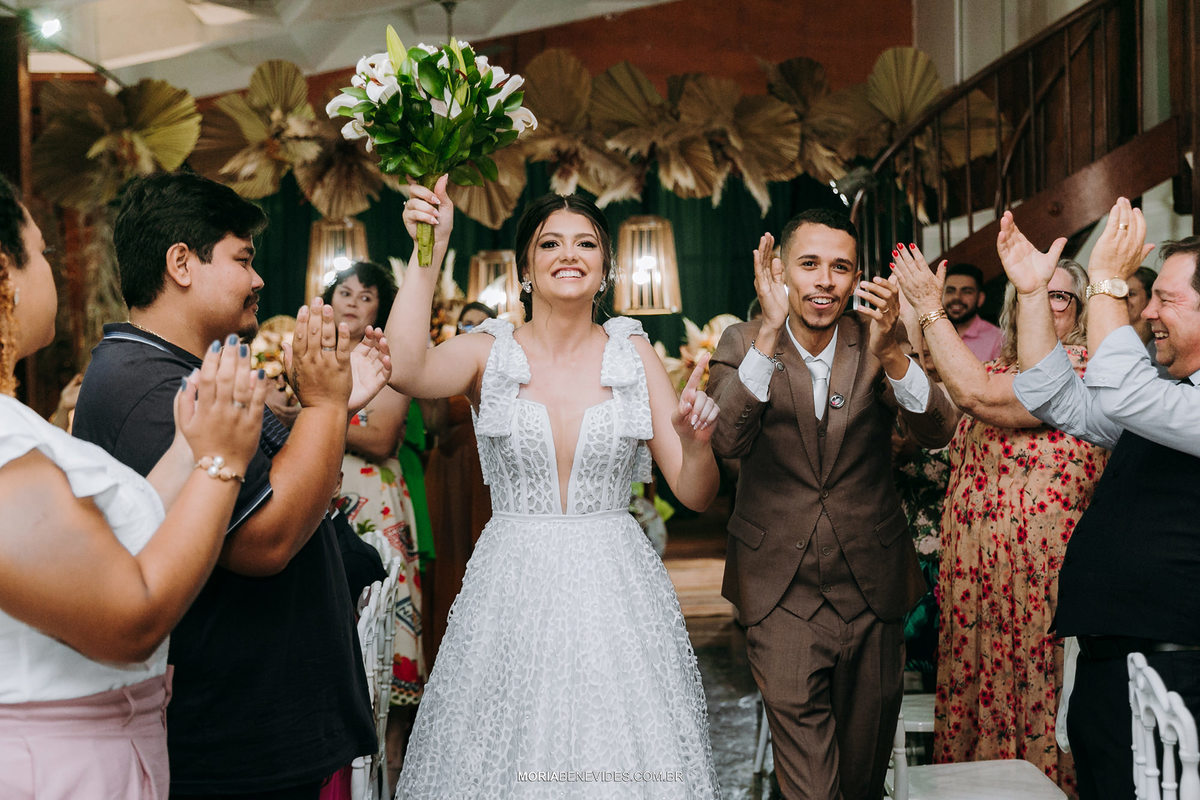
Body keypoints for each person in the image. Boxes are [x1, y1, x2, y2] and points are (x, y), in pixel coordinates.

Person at [389, 180, 722, 797]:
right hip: (510, 584)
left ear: (604, 269)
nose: (569, 254)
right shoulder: (490, 351)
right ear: (525, 268)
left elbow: (694, 491)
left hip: (614, 590)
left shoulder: (632, 352)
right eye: (550, 244)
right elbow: (406, 367)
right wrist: (426, 253)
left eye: (586, 243)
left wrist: (697, 443)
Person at [72, 172, 383, 799]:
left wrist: (321, 406)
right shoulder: (152, 389)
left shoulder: (182, 370)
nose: (259, 279)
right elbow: (264, 540)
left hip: (256, 725)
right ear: (182, 263)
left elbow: (266, 468)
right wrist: (326, 406)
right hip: (237, 740)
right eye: (243, 259)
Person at [0, 173, 267, 798]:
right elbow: (130, 617)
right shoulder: (7, 448)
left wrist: (187, 451)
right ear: (3, 275)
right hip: (59, 765)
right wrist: (220, 464)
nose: (53, 273)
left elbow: (120, 538)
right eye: (40, 253)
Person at [707, 208, 958, 800]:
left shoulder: (878, 338)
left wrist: (895, 354)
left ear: (855, 279)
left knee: (864, 780)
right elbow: (727, 440)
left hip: (872, 590)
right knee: (813, 788)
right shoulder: (742, 342)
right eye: (810, 264)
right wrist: (767, 336)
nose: (825, 280)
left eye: (840, 268)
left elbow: (939, 428)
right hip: (780, 592)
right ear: (778, 272)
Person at [1002, 197, 1200, 800]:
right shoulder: (1167, 391)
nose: (1151, 312)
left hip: (1178, 672)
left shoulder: (1161, 398)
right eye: (1151, 296)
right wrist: (1034, 295)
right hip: (1115, 664)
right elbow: (1059, 398)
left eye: (1167, 299)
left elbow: (1120, 393)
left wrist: (1109, 283)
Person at [892, 243, 1108, 791]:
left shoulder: (1083, 374)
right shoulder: (988, 368)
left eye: (1059, 296)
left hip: (1045, 590)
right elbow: (937, 446)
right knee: (977, 710)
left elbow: (978, 396)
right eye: (1034, 296)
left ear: (1081, 309)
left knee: (1043, 707)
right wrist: (903, 345)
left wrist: (929, 307)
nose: (1046, 307)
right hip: (978, 590)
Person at [324, 260, 426, 708]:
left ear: (378, 310)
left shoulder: (384, 357)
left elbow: (383, 439)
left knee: (384, 600)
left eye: (366, 297)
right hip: (324, 491)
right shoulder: (314, 352)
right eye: (345, 292)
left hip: (373, 500)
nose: (353, 302)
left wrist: (315, 412)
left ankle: (392, 746)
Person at [420, 300, 496, 673]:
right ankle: (448, 664)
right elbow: (432, 425)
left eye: (481, 325)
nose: (472, 330)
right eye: (466, 325)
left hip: (487, 476)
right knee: (451, 558)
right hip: (449, 468)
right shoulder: (448, 367)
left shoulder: (503, 367)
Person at [942, 262, 1003, 362]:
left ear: (980, 299)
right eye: (950, 291)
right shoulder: (931, 333)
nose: (956, 297)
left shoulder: (997, 340)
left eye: (966, 292)